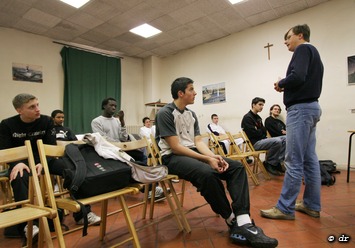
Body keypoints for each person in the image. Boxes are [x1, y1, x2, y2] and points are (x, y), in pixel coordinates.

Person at [155, 77, 278, 248]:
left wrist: (213, 157)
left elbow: (198, 143)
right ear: (180, 93)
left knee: (236, 167)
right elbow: (175, 147)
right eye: (191, 89)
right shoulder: (165, 113)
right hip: (172, 157)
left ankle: (243, 220)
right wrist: (207, 160)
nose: (195, 92)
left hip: (193, 152)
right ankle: (230, 219)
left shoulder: (191, 114)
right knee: (207, 173)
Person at [0, 94, 100, 243]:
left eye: (38, 105)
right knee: (19, 176)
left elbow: (50, 147)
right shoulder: (7, 125)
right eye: (32, 107)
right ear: (19, 110)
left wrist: (43, 161)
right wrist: (16, 163)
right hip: (21, 162)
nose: (38, 109)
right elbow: (5, 149)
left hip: (45, 159)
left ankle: (83, 214)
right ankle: (29, 226)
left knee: (74, 169)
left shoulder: (46, 121)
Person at [261, 24, 323, 220]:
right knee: (310, 160)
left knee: (293, 161)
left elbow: (297, 76)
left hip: (301, 110)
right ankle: (311, 205)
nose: (285, 41)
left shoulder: (303, 49)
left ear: (300, 35)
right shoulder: (314, 53)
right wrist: (287, 84)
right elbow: (302, 79)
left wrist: (281, 83)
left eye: (288, 37)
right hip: (311, 107)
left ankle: (285, 208)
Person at [91, 97, 164, 198]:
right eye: (111, 105)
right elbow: (102, 139)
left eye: (115, 106)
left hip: (121, 148)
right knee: (133, 162)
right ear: (104, 106)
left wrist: (122, 121)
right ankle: (149, 188)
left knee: (142, 156)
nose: (114, 108)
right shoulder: (96, 121)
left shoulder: (116, 121)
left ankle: (152, 187)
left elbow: (124, 137)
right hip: (109, 151)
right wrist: (119, 145)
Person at [241, 97, 286, 176]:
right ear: (253, 105)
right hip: (254, 144)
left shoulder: (258, 118)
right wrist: (260, 131)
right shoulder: (247, 118)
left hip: (262, 140)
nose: (261, 107)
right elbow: (253, 133)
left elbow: (264, 131)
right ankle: (269, 163)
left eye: (263, 105)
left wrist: (259, 131)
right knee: (277, 141)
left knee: (286, 138)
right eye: (260, 104)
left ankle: (277, 162)